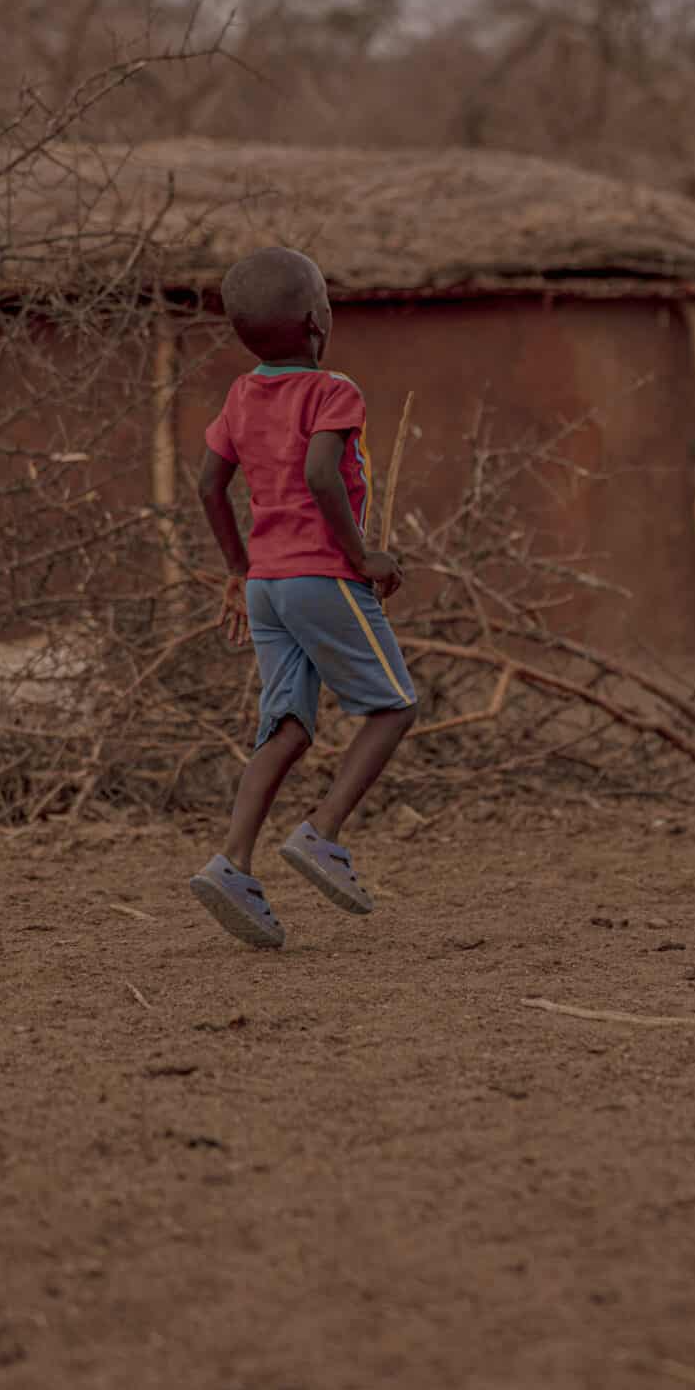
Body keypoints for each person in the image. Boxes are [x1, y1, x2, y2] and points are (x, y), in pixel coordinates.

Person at [187, 247, 416, 949]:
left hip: (266, 586)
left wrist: (236, 568)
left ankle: (232, 864)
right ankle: (322, 833)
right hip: (322, 578)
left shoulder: (240, 395)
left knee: (286, 728)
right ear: (318, 320)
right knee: (394, 706)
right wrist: (364, 558)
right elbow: (322, 474)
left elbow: (207, 487)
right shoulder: (332, 391)